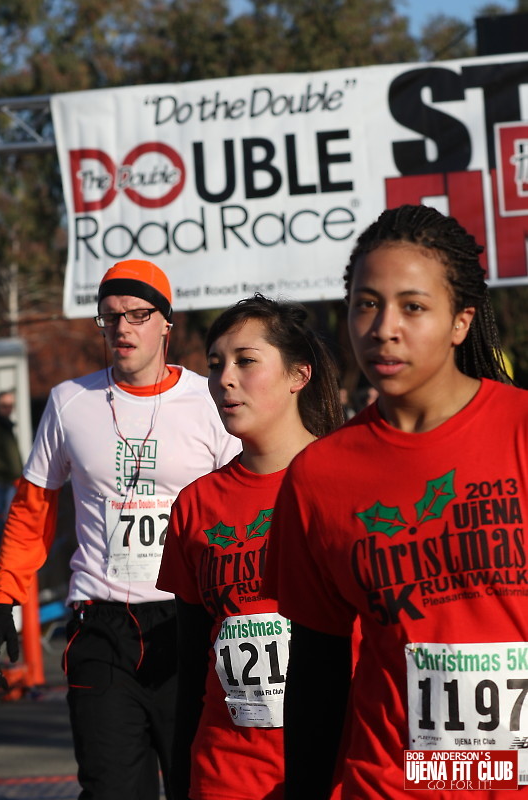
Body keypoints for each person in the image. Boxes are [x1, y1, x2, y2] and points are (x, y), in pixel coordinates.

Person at [263, 204, 527, 800]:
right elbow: (318, 669)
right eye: (366, 303)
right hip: (390, 785)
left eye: (413, 307)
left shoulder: (521, 432)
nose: (384, 328)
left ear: (461, 321)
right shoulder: (318, 476)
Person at [0, 259, 240, 800]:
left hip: (188, 621)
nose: (122, 328)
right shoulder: (69, 402)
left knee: (198, 784)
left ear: (166, 322)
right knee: (111, 789)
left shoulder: (209, 400)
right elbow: (33, 506)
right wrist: (3, 595)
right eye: (110, 317)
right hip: (101, 626)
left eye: (137, 314)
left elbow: (246, 502)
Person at [156, 294, 345, 800]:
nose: (225, 379)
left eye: (246, 361)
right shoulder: (196, 504)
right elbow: (192, 668)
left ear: (298, 375)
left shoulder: (351, 486)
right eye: (215, 365)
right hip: (225, 774)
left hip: (337, 770)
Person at [0, 390, 23, 557]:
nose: (8, 409)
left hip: (11, 482)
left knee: (11, 519)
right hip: (0, 482)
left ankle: (7, 552)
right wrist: (9, 470)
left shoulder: (8, 426)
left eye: (10, 405)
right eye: (4, 405)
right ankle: (0, 554)